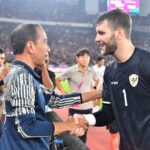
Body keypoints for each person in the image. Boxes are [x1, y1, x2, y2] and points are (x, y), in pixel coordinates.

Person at [0, 23, 102, 150]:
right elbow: (27, 128)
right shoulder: (22, 76)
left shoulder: (23, 74)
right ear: (31, 47)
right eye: (45, 42)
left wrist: (99, 93)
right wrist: (67, 125)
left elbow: (57, 100)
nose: (48, 48)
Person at [74, 9, 150, 149]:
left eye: (101, 33)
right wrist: (87, 119)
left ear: (119, 33)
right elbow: (109, 113)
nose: (96, 39)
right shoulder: (110, 71)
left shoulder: (146, 63)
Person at [56, 48, 99, 143]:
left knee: (84, 131)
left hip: (88, 107)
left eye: (87, 57)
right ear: (77, 58)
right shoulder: (71, 70)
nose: (85, 59)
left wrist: (94, 89)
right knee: (73, 131)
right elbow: (58, 79)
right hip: (75, 107)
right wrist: (63, 92)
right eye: (83, 57)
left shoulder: (91, 71)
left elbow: (97, 79)